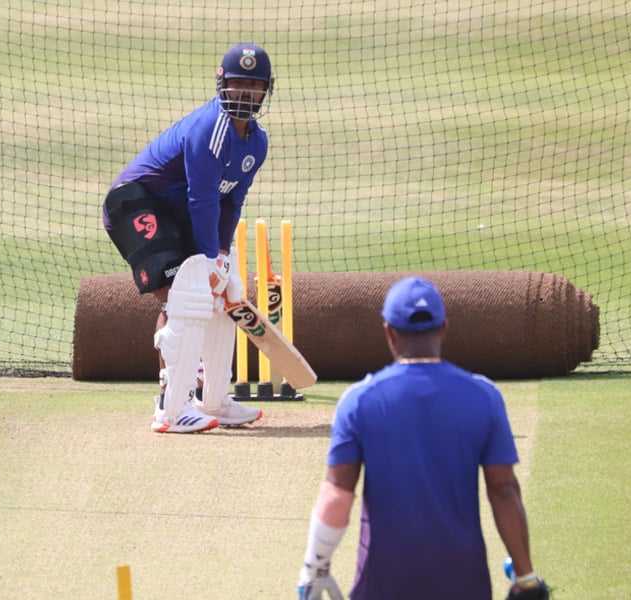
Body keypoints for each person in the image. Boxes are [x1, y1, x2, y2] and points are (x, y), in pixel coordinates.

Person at [297, 277, 550, 600]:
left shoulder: (358, 401)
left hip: (382, 588)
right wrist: (525, 577)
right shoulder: (484, 396)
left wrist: (315, 569)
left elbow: (337, 494)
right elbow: (503, 489)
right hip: (465, 586)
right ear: (443, 329)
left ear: (389, 333)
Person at [102, 43, 274, 433]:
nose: (245, 93)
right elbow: (202, 200)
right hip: (134, 203)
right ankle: (170, 407)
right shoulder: (209, 130)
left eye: (254, 86)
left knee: (220, 298)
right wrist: (209, 257)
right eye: (237, 84)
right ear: (222, 84)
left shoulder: (257, 143)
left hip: (176, 215)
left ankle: (213, 401)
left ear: (266, 90)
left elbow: (231, 200)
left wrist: (222, 253)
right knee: (185, 296)